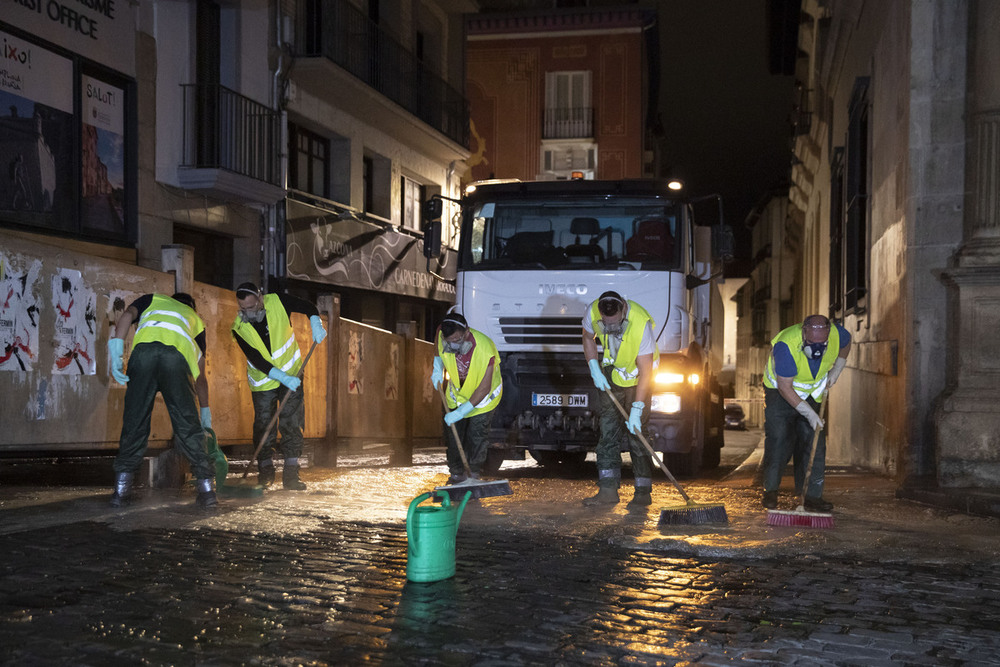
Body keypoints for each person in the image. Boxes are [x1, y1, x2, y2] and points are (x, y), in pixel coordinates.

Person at [106, 292, 217, 508]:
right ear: (191, 307)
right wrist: (204, 411)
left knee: (135, 421)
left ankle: (121, 491)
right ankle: (207, 491)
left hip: (144, 356)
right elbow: (201, 378)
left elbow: (127, 315)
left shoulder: (153, 299)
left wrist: (117, 354)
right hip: (176, 361)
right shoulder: (195, 320)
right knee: (187, 425)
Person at [231, 283, 326, 490]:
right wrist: (281, 377)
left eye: (250, 307)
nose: (246, 312)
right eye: (243, 308)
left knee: (292, 422)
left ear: (260, 298)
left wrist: (315, 323)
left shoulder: (278, 302)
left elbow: (309, 307)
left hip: (292, 374)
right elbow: (257, 360)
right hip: (263, 381)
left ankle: (291, 476)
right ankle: (265, 474)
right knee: (264, 426)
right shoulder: (238, 327)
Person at [761, 314, 852, 510]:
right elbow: (786, 388)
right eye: (812, 342)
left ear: (828, 334)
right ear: (804, 333)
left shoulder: (837, 334)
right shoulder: (786, 345)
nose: (817, 348)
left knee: (814, 441)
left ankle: (812, 497)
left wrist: (837, 368)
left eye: (823, 342)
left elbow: (846, 343)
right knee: (779, 438)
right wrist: (809, 414)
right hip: (780, 392)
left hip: (812, 393)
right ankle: (770, 491)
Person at [581, 291, 658, 508]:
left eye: (615, 323)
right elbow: (588, 337)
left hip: (636, 378)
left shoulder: (641, 324)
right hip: (612, 373)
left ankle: (643, 492)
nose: (611, 327)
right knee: (607, 431)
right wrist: (594, 366)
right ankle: (607, 490)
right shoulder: (592, 311)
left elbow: (646, 372)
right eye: (607, 323)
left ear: (623, 308)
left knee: (637, 434)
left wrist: (637, 407)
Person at [431, 311, 502, 483]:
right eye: (450, 342)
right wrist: (437, 366)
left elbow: (484, 388)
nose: (453, 346)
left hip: (484, 399)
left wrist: (462, 412)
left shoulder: (485, 348)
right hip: (458, 395)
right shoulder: (443, 335)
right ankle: (456, 475)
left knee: (476, 436)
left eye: (457, 341)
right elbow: (437, 347)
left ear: (467, 332)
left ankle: (473, 474)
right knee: (454, 436)